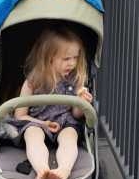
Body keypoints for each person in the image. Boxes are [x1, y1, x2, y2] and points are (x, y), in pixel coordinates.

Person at [10, 28, 93, 179]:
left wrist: (81, 102)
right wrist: (42, 123)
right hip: (37, 123)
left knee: (70, 136)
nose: (73, 63)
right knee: (32, 135)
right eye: (66, 59)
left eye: (75, 57)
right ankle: (42, 170)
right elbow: (20, 116)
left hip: (65, 122)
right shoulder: (33, 82)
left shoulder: (75, 80)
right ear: (49, 58)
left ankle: (63, 170)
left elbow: (76, 114)